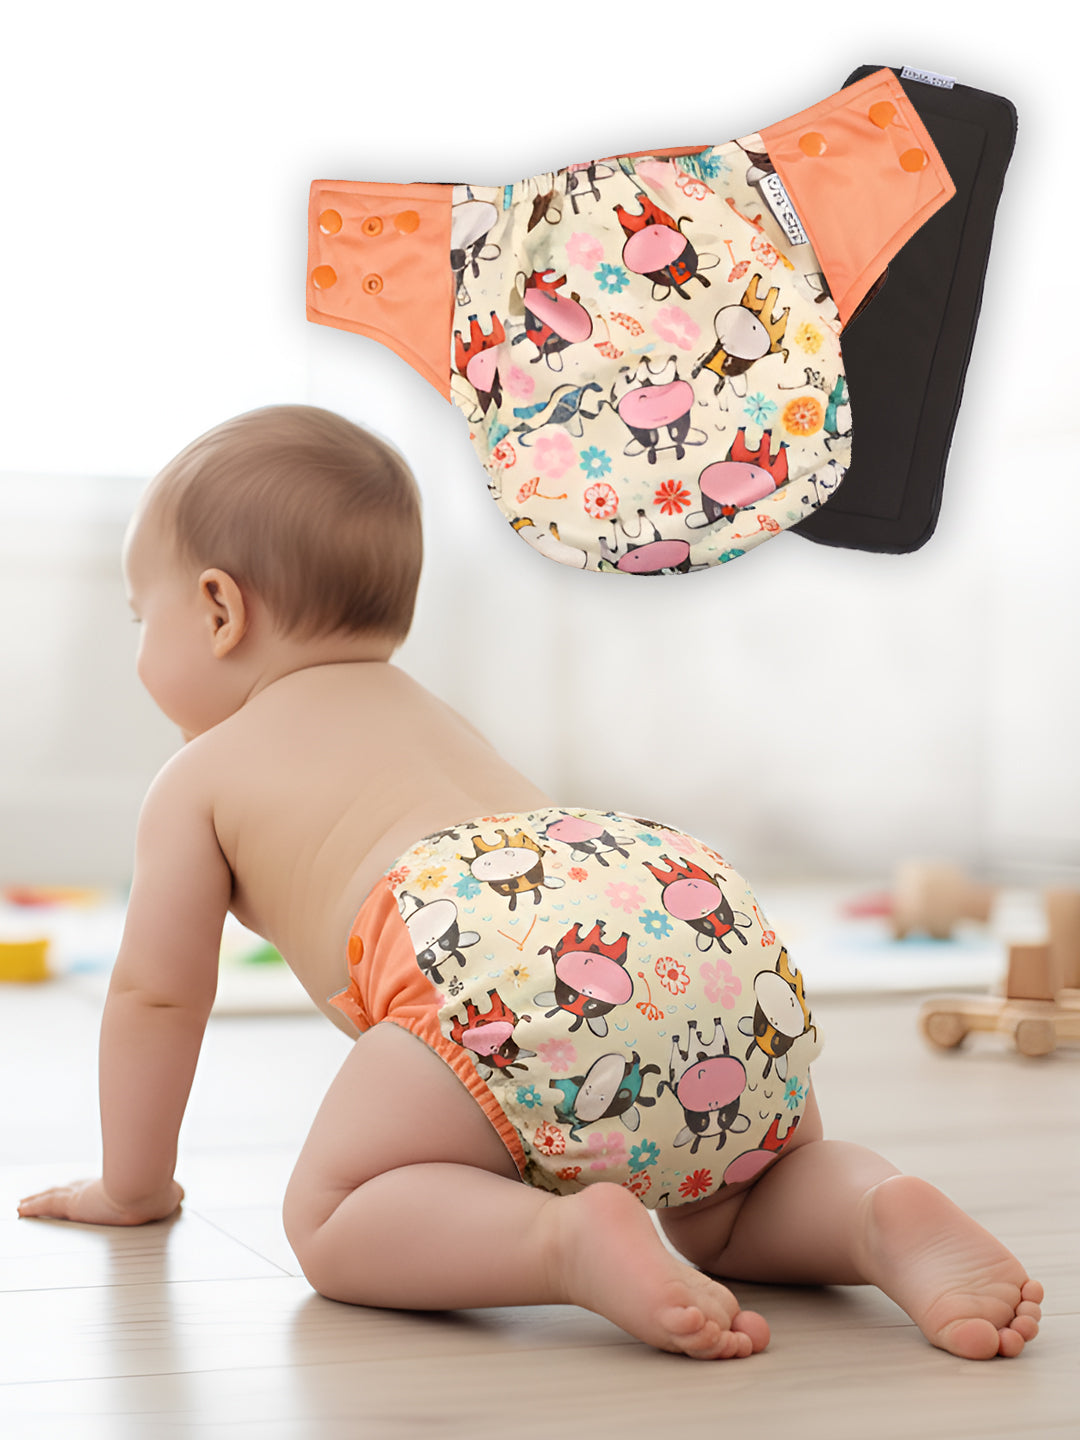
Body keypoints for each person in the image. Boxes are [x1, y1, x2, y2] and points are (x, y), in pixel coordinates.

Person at [18, 405, 1042, 1362]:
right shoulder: (430, 714)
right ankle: (874, 1212)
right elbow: (550, 900)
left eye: (136, 614)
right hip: (677, 904)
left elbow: (158, 996)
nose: (138, 645)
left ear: (215, 609)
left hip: (484, 942)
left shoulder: (202, 774)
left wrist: (133, 1185)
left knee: (333, 1214)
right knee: (729, 1202)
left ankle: (561, 1242)